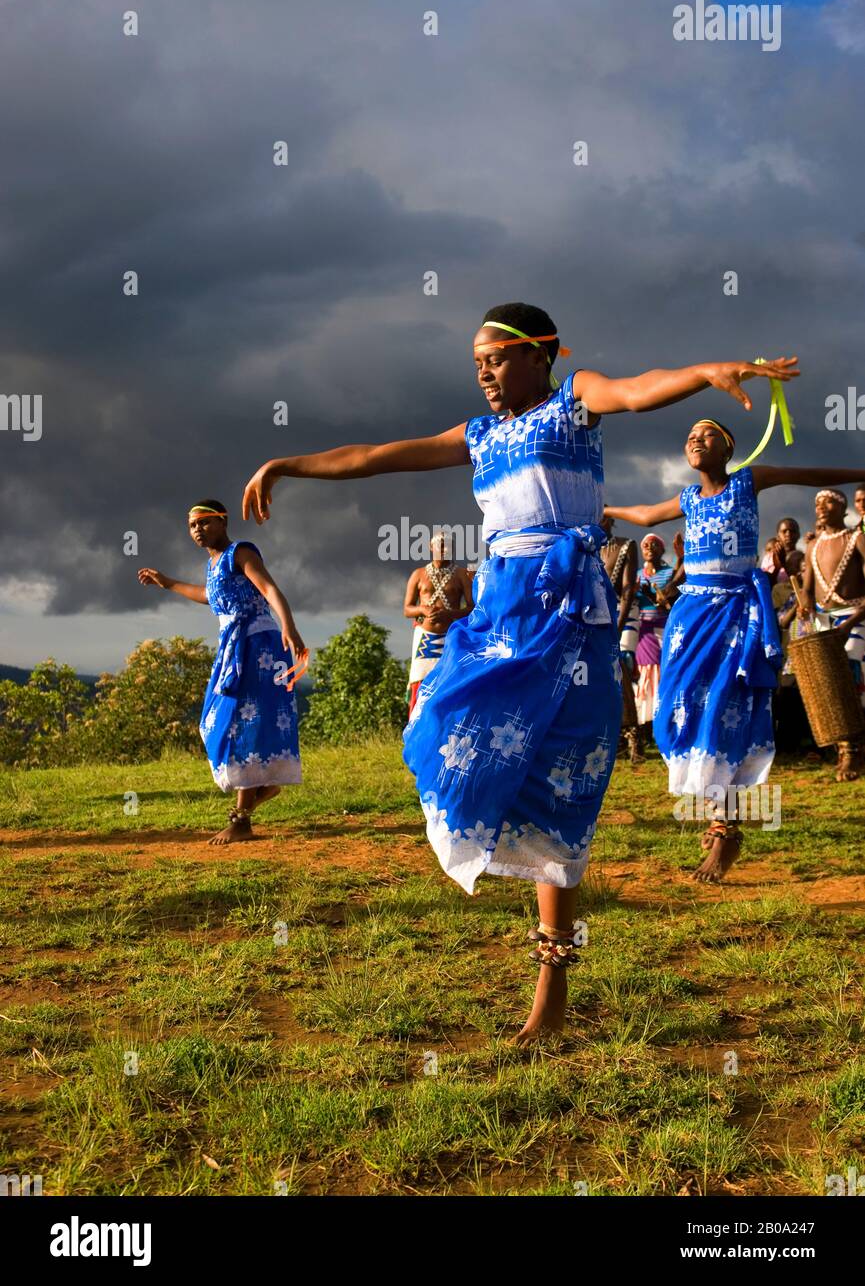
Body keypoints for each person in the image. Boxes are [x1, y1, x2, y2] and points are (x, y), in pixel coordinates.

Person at [242, 300, 797, 1039]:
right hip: (501, 615)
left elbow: (636, 390)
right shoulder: (478, 435)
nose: (484, 372)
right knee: (447, 729)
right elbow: (376, 455)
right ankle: (497, 849)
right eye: (476, 362)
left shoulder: (574, 402)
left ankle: (551, 983)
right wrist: (288, 463)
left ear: (543, 355)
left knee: (561, 784)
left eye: (496, 358)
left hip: (568, 619)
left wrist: (705, 372)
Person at [605, 421, 865, 882]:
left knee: (724, 711)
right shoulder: (687, 498)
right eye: (688, 435)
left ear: (729, 448)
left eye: (707, 434)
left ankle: (724, 827)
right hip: (690, 618)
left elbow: (808, 474)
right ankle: (716, 813)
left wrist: (856, 470)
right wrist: (600, 507)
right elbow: (645, 514)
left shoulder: (748, 480)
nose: (695, 439)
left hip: (735, 615)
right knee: (678, 713)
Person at [138, 501, 306, 844]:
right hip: (232, 648)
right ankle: (262, 786)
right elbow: (208, 596)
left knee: (242, 722)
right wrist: (168, 583)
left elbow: (269, 589)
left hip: (257, 645)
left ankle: (242, 818)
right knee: (215, 722)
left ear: (222, 521)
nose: (198, 529)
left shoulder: (240, 553)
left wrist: (288, 627)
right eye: (192, 525)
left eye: (204, 522)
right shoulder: (213, 565)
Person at [799, 488, 865, 779]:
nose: (821, 507)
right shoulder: (813, 546)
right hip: (824, 621)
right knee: (829, 684)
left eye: (828, 501)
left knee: (851, 675)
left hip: (854, 617)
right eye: (817, 503)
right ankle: (844, 749)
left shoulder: (856, 538)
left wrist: (848, 625)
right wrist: (804, 606)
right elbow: (807, 588)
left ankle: (853, 751)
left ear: (842, 507)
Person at [403, 532, 474, 716]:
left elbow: (472, 608)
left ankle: (444, 731)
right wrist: (423, 610)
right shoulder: (418, 575)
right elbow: (407, 609)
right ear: (430, 547)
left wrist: (449, 614)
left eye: (448, 545)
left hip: (450, 637)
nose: (445, 549)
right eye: (441, 545)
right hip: (424, 639)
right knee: (420, 683)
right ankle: (416, 731)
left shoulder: (461, 575)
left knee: (449, 681)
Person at [600, 515, 640, 761]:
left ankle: (633, 737)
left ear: (610, 520)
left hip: (619, 617)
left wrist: (618, 626)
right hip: (593, 617)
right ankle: (615, 740)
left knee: (621, 671)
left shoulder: (626, 545)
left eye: (603, 518)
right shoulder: (587, 548)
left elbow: (627, 591)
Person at [634, 533, 676, 732]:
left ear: (662, 549)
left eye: (654, 545)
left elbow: (671, 602)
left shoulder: (670, 574)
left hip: (664, 627)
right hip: (643, 629)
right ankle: (646, 720)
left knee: (662, 670)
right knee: (645, 671)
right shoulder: (636, 575)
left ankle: (663, 717)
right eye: (645, 545)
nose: (649, 547)